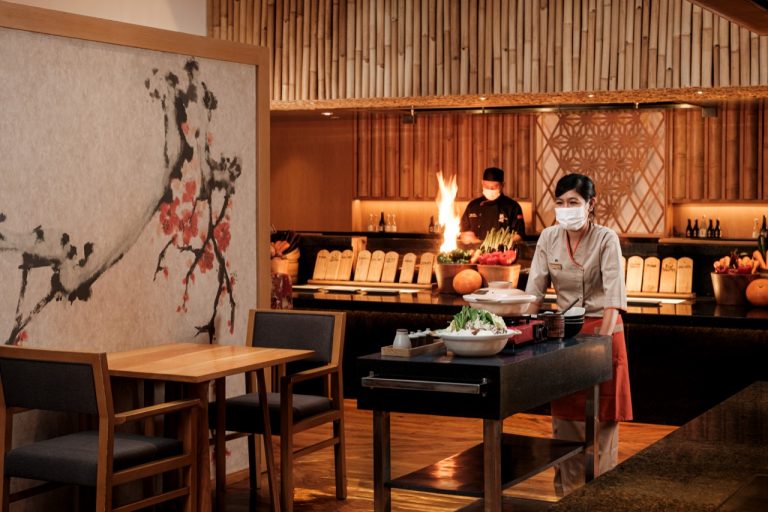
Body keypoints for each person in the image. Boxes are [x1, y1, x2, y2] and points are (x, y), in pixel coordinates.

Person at [524, 173, 632, 496]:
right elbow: (533, 295)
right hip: (564, 339)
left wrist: (600, 346)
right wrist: (518, 329)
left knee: (601, 429)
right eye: (560, 203)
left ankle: (601, 499)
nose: (566, 209)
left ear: (591, 204)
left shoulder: (606, 239)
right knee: (565, 427)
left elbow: (614, 299)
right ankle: (568, 499)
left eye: (573, 202)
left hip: (604, 333)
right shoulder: (548, 238)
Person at [459, 167, 525, 245]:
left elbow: (519, 234)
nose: (490, 189)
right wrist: (465, 236)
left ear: (502, 185)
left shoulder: (513, 207)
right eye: (486, 186)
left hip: (502, 251)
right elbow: (461, 232)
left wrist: (499, 244)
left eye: (494, 187)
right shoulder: (472, 206)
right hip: (475, 251)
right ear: (482, 183)